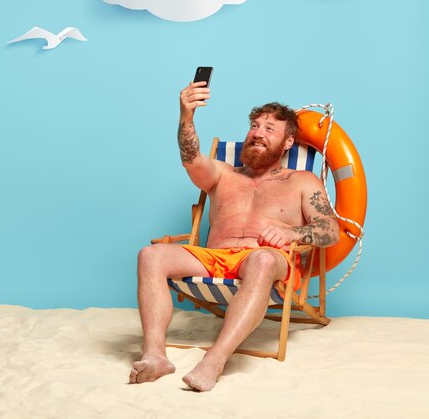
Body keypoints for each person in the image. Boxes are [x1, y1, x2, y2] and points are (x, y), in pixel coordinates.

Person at [130, 80, 339, 392]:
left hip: (266, 260)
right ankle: (156, 356)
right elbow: (190, 158)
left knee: (264, 260)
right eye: (255, 126)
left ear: (287, 143)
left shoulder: (302, 180)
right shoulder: (223, 173)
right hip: (213, 259)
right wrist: (186, 116)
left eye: (270, 129)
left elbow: (330, 229)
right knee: (151, 255)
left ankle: (214, 360)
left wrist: (291, 232)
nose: (257, 132)